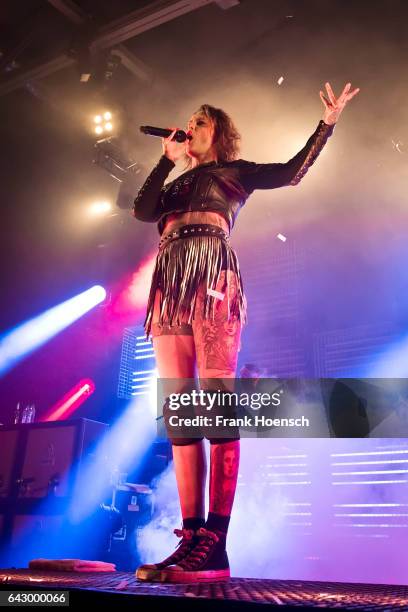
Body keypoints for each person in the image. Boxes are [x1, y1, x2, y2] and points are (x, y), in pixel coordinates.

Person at [132, 82, 359, 583]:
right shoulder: (173, 182)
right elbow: (143, 211)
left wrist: (328, 123)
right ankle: (190, 536)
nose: (190, 127)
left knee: (214, 403)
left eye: (201, 122)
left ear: (220, 134)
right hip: (170, 282)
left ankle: (217, 540)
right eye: (188, 120)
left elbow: (293, 172)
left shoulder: (235, 173)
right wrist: (167, 159)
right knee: (179, 410)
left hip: (212, 276)